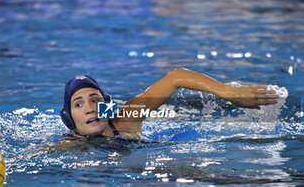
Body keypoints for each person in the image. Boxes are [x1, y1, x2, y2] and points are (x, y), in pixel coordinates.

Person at [56, 68, 279, 150]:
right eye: (79, 104)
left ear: (107, 106)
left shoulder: (125, 117)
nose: (89, 108)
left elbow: (176, 77)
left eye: (95, 99)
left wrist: (230, 93)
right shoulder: (69, 145)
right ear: (69, 118)